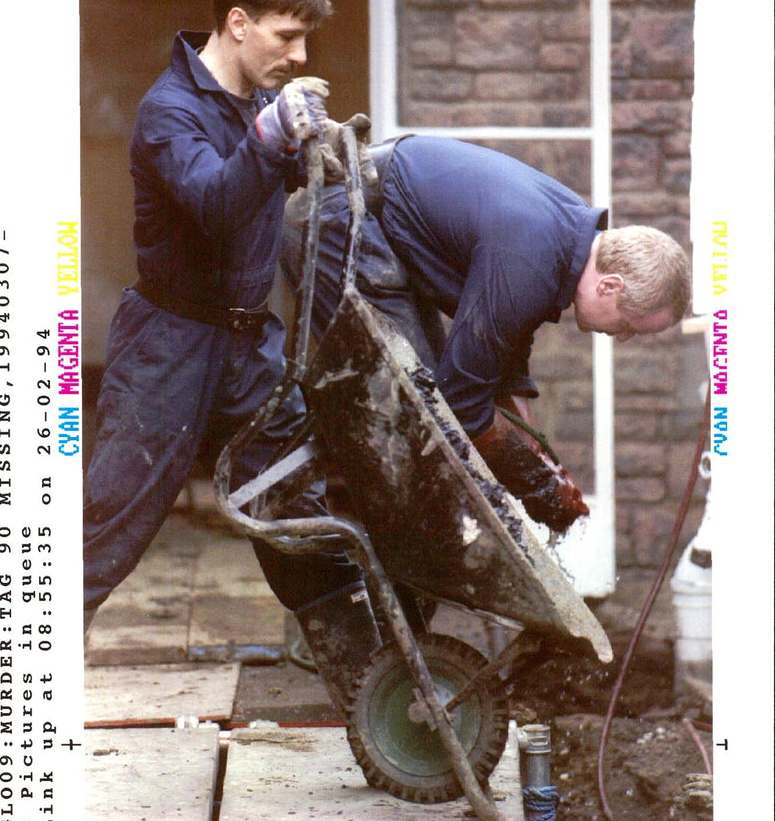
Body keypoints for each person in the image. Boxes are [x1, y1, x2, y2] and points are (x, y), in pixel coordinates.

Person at [83, 0, 382, 712]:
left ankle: (373, 696)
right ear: (239, 23)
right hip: (168, 349)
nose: (300, 53)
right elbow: (216, 205)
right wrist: (270, 137)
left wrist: (322, 151)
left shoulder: (256, 100)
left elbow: (269, 184)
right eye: (287, 36)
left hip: (249, 348)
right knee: (106, 524)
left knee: (297, 509)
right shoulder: (168, 111)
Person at [279, 132, 692, 530]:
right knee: (416, 414)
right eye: (627, 325)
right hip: (339, 220)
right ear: (610, 286)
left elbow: (507, 328)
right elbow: (459, 401)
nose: (622, 337)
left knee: (427, 401)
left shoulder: (565, 238)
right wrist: (538, 487)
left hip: (374, 225)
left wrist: (519, 414)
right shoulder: (530, 261)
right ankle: (358, 561)